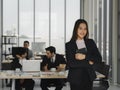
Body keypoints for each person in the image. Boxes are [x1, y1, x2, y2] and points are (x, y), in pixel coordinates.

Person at [65, 19, 102, 90]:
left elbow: (98, 58)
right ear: (76, 29)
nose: (83, 31)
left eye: (85, 29)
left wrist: (84, 57)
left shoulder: (90, 42)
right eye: (80, 28)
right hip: (75, 79)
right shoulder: (69, 45)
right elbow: (71, 63)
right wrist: (89, 62)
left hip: (88, 77)